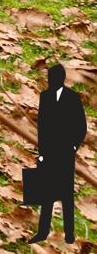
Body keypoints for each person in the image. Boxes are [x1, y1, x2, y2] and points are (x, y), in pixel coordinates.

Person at [35, 63, 86, 243]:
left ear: (61, 79)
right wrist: (41, 151)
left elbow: (81, 126)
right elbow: (42, 126)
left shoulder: (72, 98)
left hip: (65, 153)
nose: (50, 81)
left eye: (53, 78)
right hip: (48, 153)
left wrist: (72, 147)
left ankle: (69, 234)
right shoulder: (45, 96)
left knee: (66, 195)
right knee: (46, 194)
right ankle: (42, 232)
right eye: (49, 78)